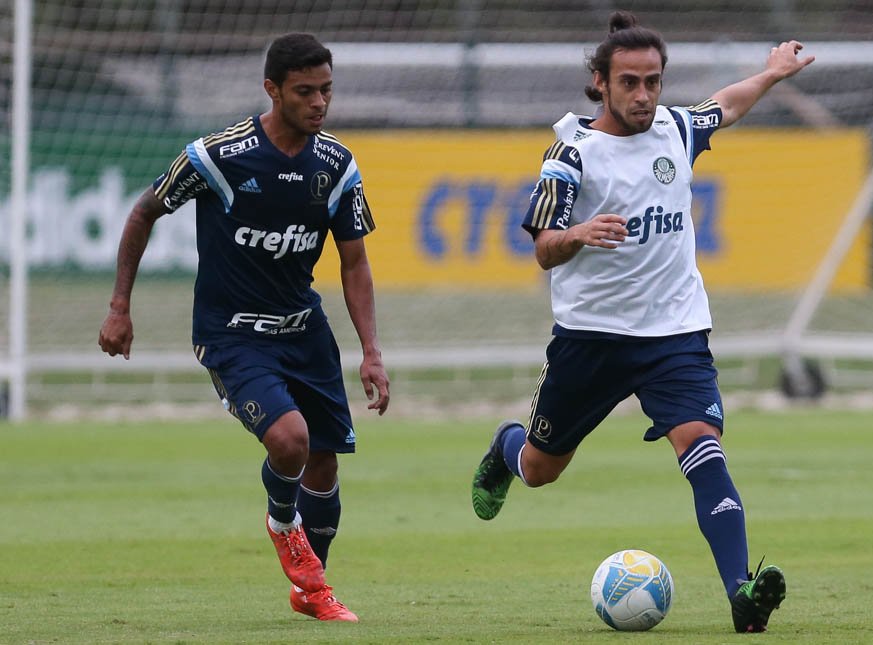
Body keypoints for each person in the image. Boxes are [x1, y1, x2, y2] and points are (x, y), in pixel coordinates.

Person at [471, 12, 813, 634]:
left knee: (704, 451)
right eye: (629, 83)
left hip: (674, 335)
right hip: (591, 340)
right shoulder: (570, 155)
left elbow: (725, 106)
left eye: (653, 81)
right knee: (541, 470)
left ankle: (741, 593)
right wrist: (577, 234)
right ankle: (505, 447)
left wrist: (771, 72)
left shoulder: (677, 130)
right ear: (600, 83)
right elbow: (543, 247)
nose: (644, 95)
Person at [98, 33, 390, 623]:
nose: (318, 103)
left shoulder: (336, 164)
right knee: (290, 441)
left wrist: (372, 352)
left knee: (325, 464)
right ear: (272, 90)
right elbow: (143, 211)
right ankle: (282, 521)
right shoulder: (216, 156)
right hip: (232, 333)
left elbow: (354, 261)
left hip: (305, 330)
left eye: (326, 91)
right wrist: (120, 306)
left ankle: (313, 590)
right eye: (304, 92)